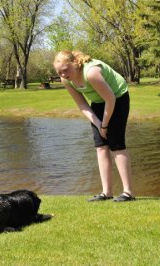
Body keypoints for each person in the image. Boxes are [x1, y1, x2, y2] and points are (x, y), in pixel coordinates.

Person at [53, 50, 135, 202]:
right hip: (98, 102)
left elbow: (110, 99)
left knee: (116, 144)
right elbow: (82, 105)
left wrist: (104, 125)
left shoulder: (91, 72)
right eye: (59, 72)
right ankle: (106, 192)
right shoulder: (66, 80)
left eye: (65, 70)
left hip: (117, 97)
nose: (63, 75)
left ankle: (128, 193)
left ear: (75, 64)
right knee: (101, 146)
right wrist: (98, 124)